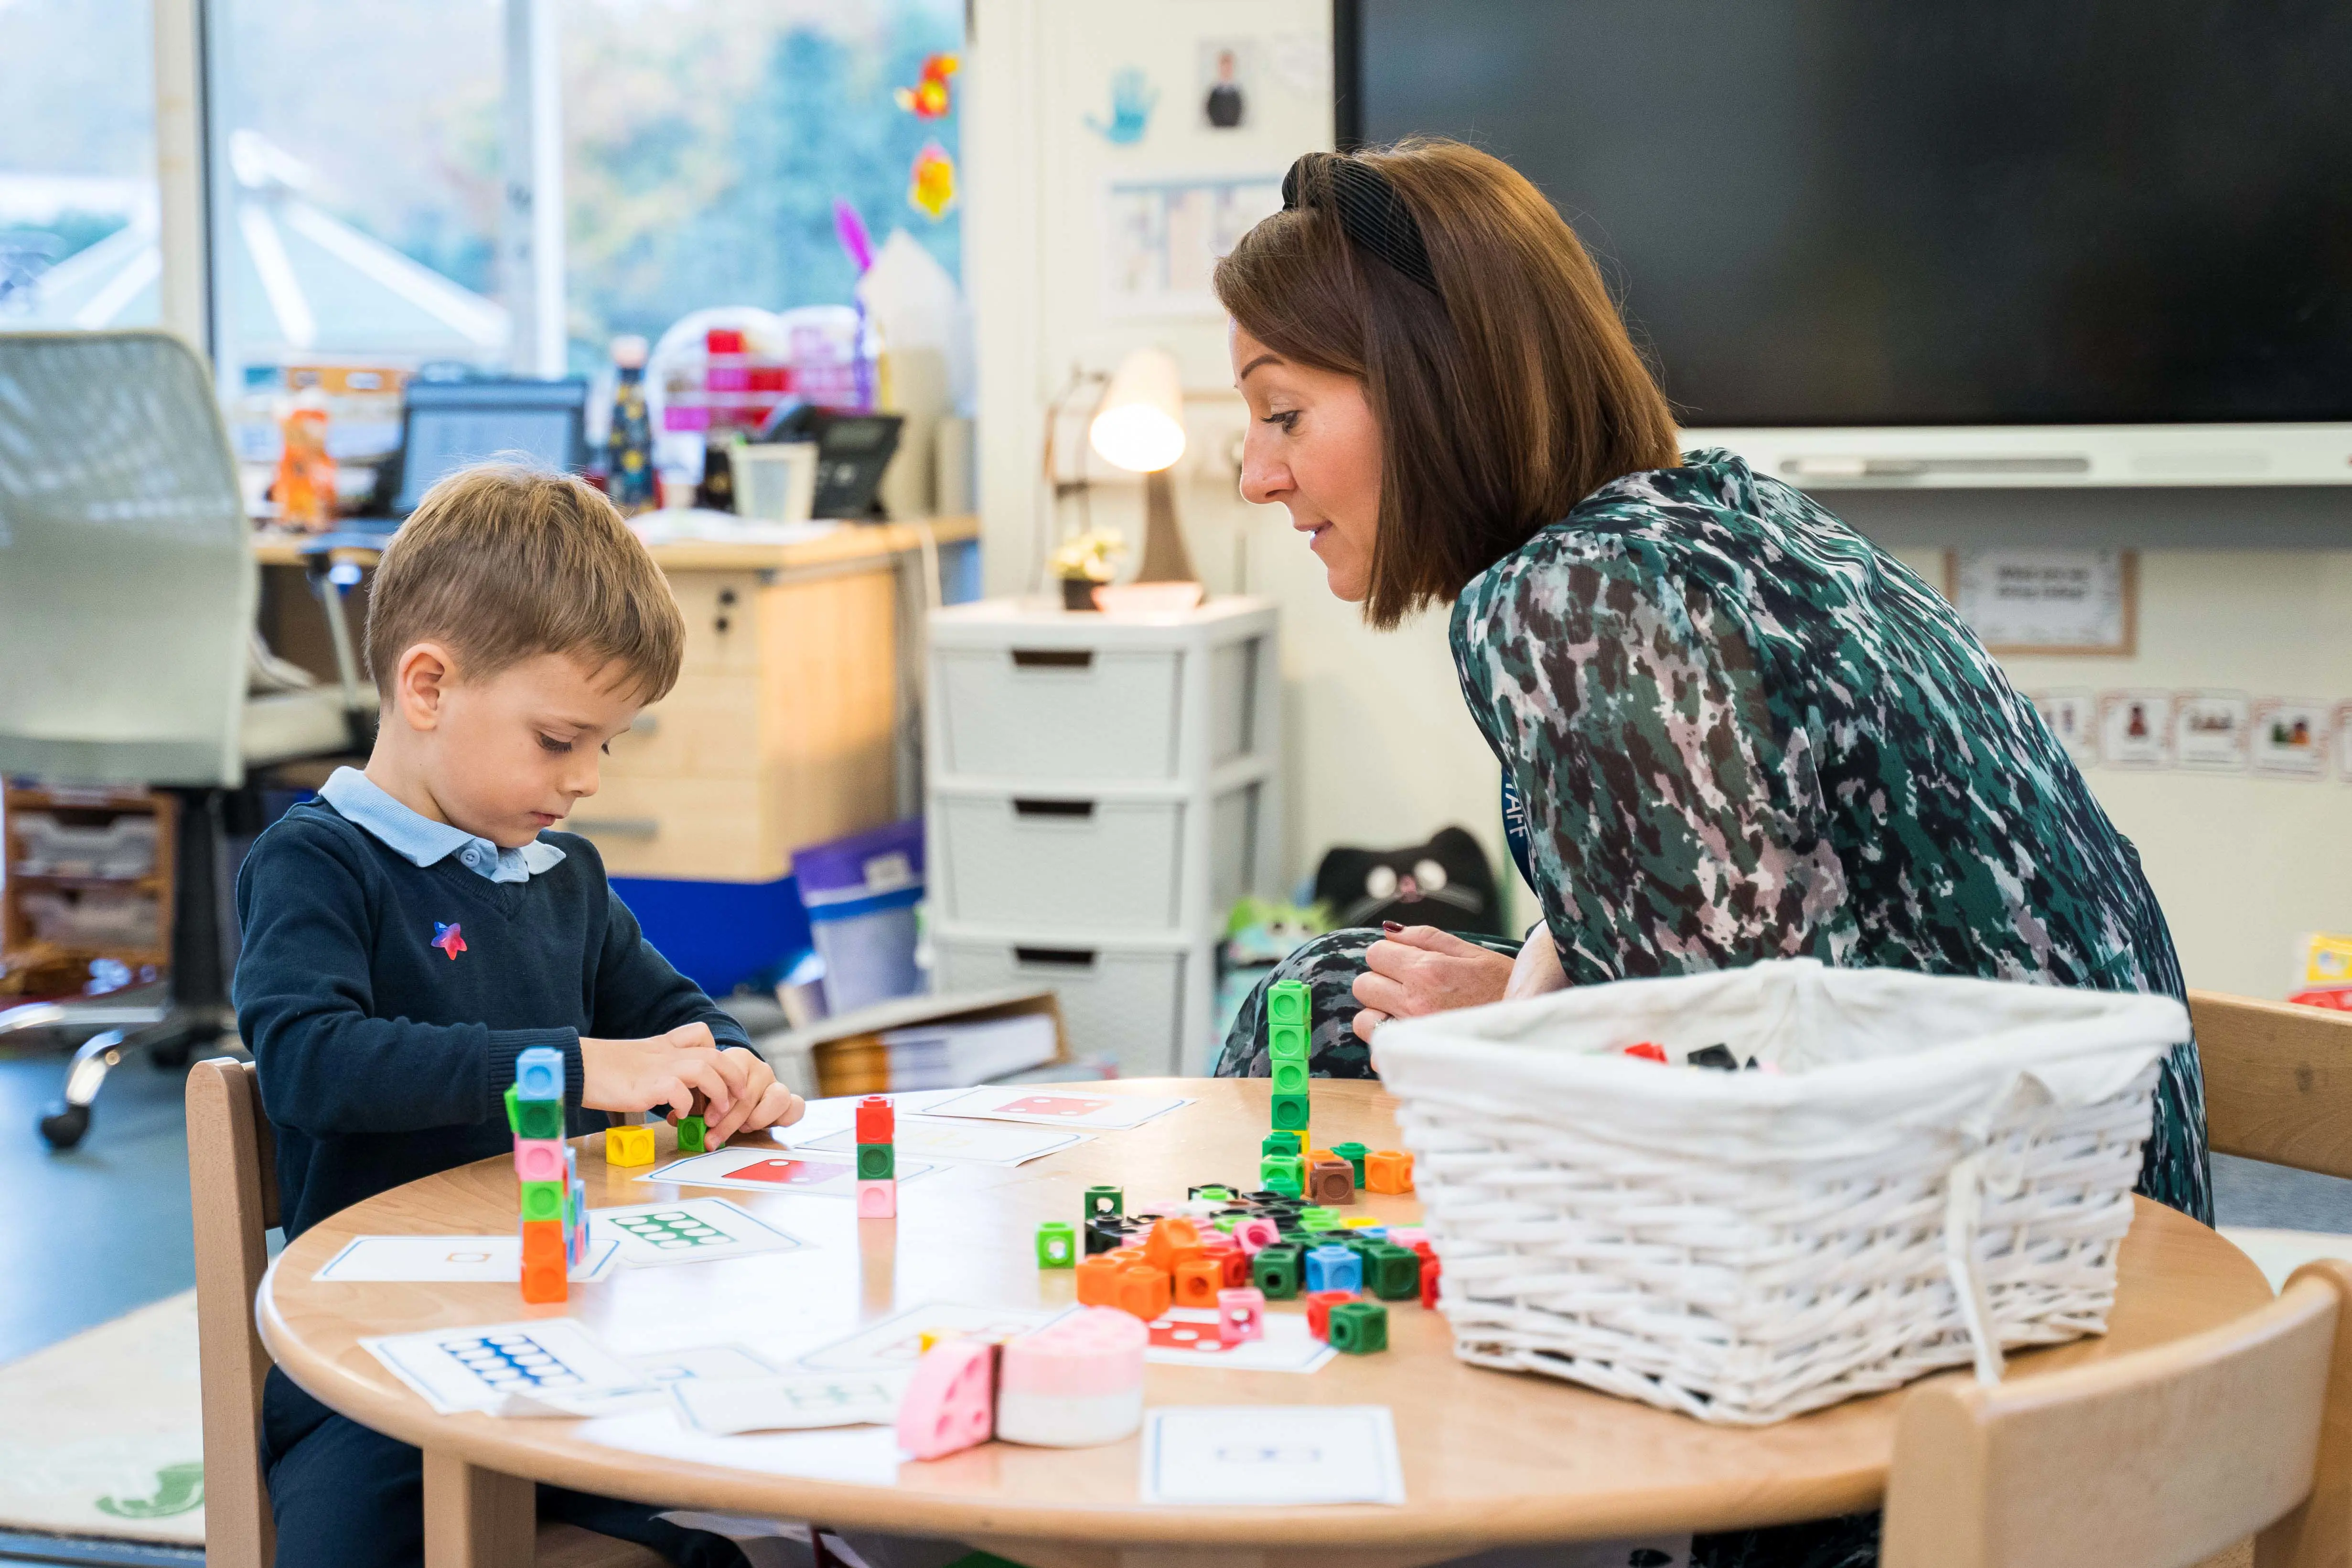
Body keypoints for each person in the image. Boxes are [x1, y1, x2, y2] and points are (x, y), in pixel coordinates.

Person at [1213, 138, 2212, 1568]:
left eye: (1284, 413)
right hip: (2089, 1208)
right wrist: (1523, 1001)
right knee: (1327, 996)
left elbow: (1720, 1087)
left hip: (1977, 1298)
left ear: (1430, 385)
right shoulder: (1718, 517)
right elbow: (1754, 937)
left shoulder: (1566, 596)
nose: (1255, 474)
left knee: (1310, 1030)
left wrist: (1515, 1029)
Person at [234, 464, 805, 1568]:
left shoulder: (563, 878)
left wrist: (729, 1069)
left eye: (610, 742)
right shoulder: (316, 863)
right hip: (378, 1367)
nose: (587, 777)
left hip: (573, 1336)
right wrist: (580, 1066)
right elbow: (311, 1062)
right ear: (430, 687)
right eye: (559, 740)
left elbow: (679, 1019)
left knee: (742, 1520)